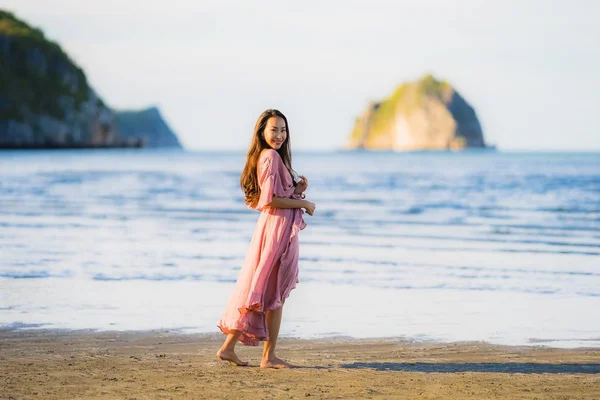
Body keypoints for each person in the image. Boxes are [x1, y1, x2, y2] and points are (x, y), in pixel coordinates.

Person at [216, 109, 316, 369]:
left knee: (263, 289)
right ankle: (268, 357)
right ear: (262, 132)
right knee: (274, 292)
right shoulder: (270, 156)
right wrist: (303, 202)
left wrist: (295, 191)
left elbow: (275, 196)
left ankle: (229, 348)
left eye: (283, 130)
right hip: (276, 231)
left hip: (275, 228)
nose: (279, 135)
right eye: (274, 129)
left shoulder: (269, 157)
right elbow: (268, 200)